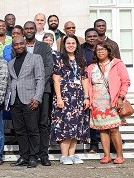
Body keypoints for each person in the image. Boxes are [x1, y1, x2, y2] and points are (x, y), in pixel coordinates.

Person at [87, 42, 130, 164]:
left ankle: (120, 155)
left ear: (108, 51)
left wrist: (121, 97)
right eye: (98, 50)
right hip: (97, 102)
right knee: (102, 130)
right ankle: (106, 155)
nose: (100, 52)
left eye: (102, 49)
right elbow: (89, 84)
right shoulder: (91, 67)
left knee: (114, 129)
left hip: (113, 101)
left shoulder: (117, 64)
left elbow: (125, 81)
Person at [51, 35, 90, 165]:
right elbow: (56, 79)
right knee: (65, 125)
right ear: (64, 44)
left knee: (77, 125)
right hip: (65, 95)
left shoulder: (81, 59)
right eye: (68, 43)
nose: (71, 45)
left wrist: (86, 97)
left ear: (77, 44)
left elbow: (84, 78)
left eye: (73, 43)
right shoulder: (59, 58)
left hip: (78, 96)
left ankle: (72, 155)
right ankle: (64, 155)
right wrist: (59, 98)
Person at [7, 36, 45, 169]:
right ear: (13, 46)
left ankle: (33, 157)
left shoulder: (35, 58)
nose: (18, 46)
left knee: (32, 129)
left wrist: (37, 97)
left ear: (25, 44)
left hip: (30, 99)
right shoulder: (10, 63)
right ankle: (24, 156)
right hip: (15, 101)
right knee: (20, 131)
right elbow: (10, 82)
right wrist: (8, 101)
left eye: (21, 44)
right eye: (15, 45)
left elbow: (40, 79)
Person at [24, 21, 54, 166]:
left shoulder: (44, 47)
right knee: (31, 125)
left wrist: (39, 84)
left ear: (36, 30)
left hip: (43, 90)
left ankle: (44, 154)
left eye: (31, 28)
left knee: (43, 123)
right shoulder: (19, 46)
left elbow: (49, 66)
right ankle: (32, 155)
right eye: (26, 28)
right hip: (25, 91)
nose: (29, 30)